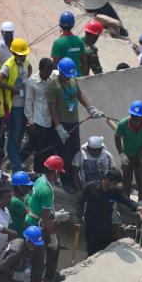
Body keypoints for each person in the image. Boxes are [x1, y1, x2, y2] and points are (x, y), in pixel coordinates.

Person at [46, 57, 104, 190]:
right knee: (64, 154)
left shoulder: (73, 80)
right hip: (62, 123)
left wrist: (91, 109)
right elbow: (52, 108)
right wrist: (59, 127)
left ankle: (75, 180)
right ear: (60, 72)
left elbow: (80, 95)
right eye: (66, 74)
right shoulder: (53, 85)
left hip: (74, 122)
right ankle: (66, 182)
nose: (68, 77)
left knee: (75, 153)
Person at [77, 168, 142, 257]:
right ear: (107, 180)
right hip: (91, 227)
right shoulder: (90, 187)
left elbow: (126, 200)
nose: (115, 186)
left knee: (106, 250)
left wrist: (136, 207)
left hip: (106, 226)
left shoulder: (115, 191)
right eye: (114, 183)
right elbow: (80, 202)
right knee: (92, 252)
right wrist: (79, 218)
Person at [26, 155, 69, 282]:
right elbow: (45, 218)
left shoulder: (40, 180)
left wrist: (54, 215)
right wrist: (52, 235)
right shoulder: (47, 191)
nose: (59, 176)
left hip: (33, 219)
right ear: (55, 172)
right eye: (58, 173)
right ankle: (48, 278)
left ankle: (47, 274)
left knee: (41, 253)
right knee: (51, 249)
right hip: (38, 225)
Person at [0, 37, 32, 172]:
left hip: (24, 104)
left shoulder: (24, 62)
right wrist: (13, 89)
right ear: (14, 53)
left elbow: (29, 67)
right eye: (21, 54)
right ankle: (16, 167)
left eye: (24, 54)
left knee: (20, 135)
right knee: (14, 136)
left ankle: (14, 163)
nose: (23, 56)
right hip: (15, 105)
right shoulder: (8, 65)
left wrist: (27, 79)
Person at [115, 99, 142, 201]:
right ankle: (126, 197)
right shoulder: (123, 124)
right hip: (128, 151)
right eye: (133, 115)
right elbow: (117, 138)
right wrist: (121, 154)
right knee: (127, 174)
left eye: (138, 116)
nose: (135, 118)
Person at [25, 58, 56, 172]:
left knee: (48, 147)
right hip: (39, 119)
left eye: (50, 71)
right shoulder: (32, 81)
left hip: (51, 118)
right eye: (47, 71)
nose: (49, 74)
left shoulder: (52, 77)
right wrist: (30, 122)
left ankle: (47, 169)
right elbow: (28, 102)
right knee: (39, 148)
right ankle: (38, 171)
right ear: (41, 70)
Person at [50, 12, 87, 77]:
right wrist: (84, 77)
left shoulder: (57, 43)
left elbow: (55, 65)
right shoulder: (79, 41)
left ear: (60, 24)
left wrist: (55, 81)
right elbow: (84, 62)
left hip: (63, 80)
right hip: (77, 78)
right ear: (73, 24)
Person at [9, 170, 33, 237]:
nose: (28, 189)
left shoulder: (13, 197)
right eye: (26, 187)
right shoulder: (16, 202)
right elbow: (32, 214)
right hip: (19, 236)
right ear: (19, 187)